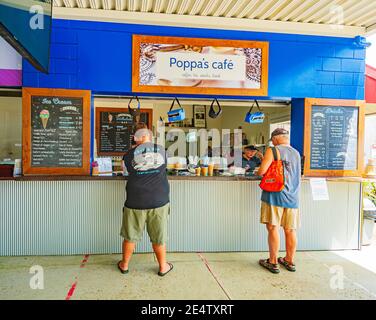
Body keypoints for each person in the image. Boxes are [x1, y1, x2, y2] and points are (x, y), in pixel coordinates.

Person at [118, 122, 173, 276]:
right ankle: (163, 266)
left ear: (140, 136)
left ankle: (124, 265)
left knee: (130, 236)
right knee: (159, 236)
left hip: (135, 200)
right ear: (148, 135)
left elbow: (126, 173)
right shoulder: (162, 150)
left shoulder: (128, 155)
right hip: (159, 199)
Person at [257, 128, 301, 274]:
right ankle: (289, 260)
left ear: (275, 139)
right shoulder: (296, 153)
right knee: (290, 229)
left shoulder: (273, 150)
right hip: (293, 196)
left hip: (275, 195)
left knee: (273, 227)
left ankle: (273, 262)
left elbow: (262, 171)